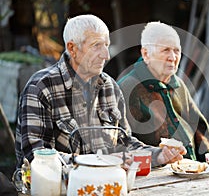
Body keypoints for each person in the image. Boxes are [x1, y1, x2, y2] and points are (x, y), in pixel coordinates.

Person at [15, 14, 186, 169]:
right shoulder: (41, 87)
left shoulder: (109, 86)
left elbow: (124, 142)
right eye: (97, 46)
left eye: (107, 45)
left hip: (107, 185)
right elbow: (36, 156)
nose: (106, 54)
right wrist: (99, 161)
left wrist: (159, 155)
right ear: (72, 48)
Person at [117, 21, 209, 161]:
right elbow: (120, 142)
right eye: (165, 50)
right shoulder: (127, 88)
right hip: (155, 175)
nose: (173, 57)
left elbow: (199, 128)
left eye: (176, 50)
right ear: (146, 54)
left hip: (190, 171)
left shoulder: (178, 85)